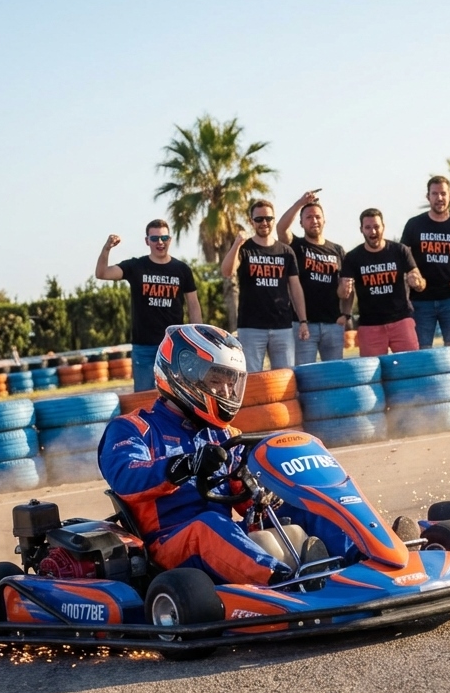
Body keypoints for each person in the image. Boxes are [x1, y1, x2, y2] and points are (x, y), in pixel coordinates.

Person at [99, 324, 351, 586]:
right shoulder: (134, 427)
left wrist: (264, 494)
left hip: (226, 537)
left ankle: (365, 556)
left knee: (304, 504)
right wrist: (185, 465)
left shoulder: (225, 435)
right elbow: (125, 478)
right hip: (167, 544)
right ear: (183, 375)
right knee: (208, 526)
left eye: (231, 383)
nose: (227, 393)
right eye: (216, 381)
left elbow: (243, 501)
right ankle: (286, 580)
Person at [95, 220, 203, 392]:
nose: (160, 242)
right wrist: (107, 248)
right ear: (147, 241)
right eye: (155, 238)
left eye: (164, 237)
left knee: (177, 395)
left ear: (170, 239)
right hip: (143, 346)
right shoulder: (135, 266)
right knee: (144, 397)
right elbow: (102, 273)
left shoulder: (182, 269)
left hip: (173, 344)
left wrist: (197, 338)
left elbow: (193, 305)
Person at [220, 199, 310, 372]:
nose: (264, 223)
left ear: (273, 220)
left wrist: (303, 320)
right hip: (251, 327)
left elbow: (295, 287)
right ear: (251, 221)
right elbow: (226, 271)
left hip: (282, 326)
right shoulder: (245, 248)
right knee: (252, 378)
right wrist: (237, 244)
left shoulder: (286, 251)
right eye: (259, 219)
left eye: (268, 218)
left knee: (284, 377)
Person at [339, 208, 426, 356]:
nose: (373, 232)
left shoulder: (400, 250)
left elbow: (421, 284)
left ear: (383, 227)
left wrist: (417, 282)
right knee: (372, 373)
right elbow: (343, 293)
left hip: (401, 320)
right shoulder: (352, 257)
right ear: (361, 230)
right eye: (368, 228)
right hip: (370, 325)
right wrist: (344, 290)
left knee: (411, 367)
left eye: (376, 227)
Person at [277, 191, 352, 364]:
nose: (314, 220)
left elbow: (348, 284)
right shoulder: (296, 246)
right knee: (305, 375)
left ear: (324, 220)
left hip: (333, 324)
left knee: (334, 375)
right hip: (303, 324)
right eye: (309, 217)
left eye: (317, 216)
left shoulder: (338, 250)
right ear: (301, 223)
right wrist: (300, 203)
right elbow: (281, 228)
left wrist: (346, 315)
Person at [401, 176, 450, 348]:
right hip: (420, 301)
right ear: (428, 197)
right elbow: (402, 262)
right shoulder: (414, 225)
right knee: (421, 352)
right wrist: (405, 296)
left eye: (443, 193)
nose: (439, 198)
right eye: (435, 194)